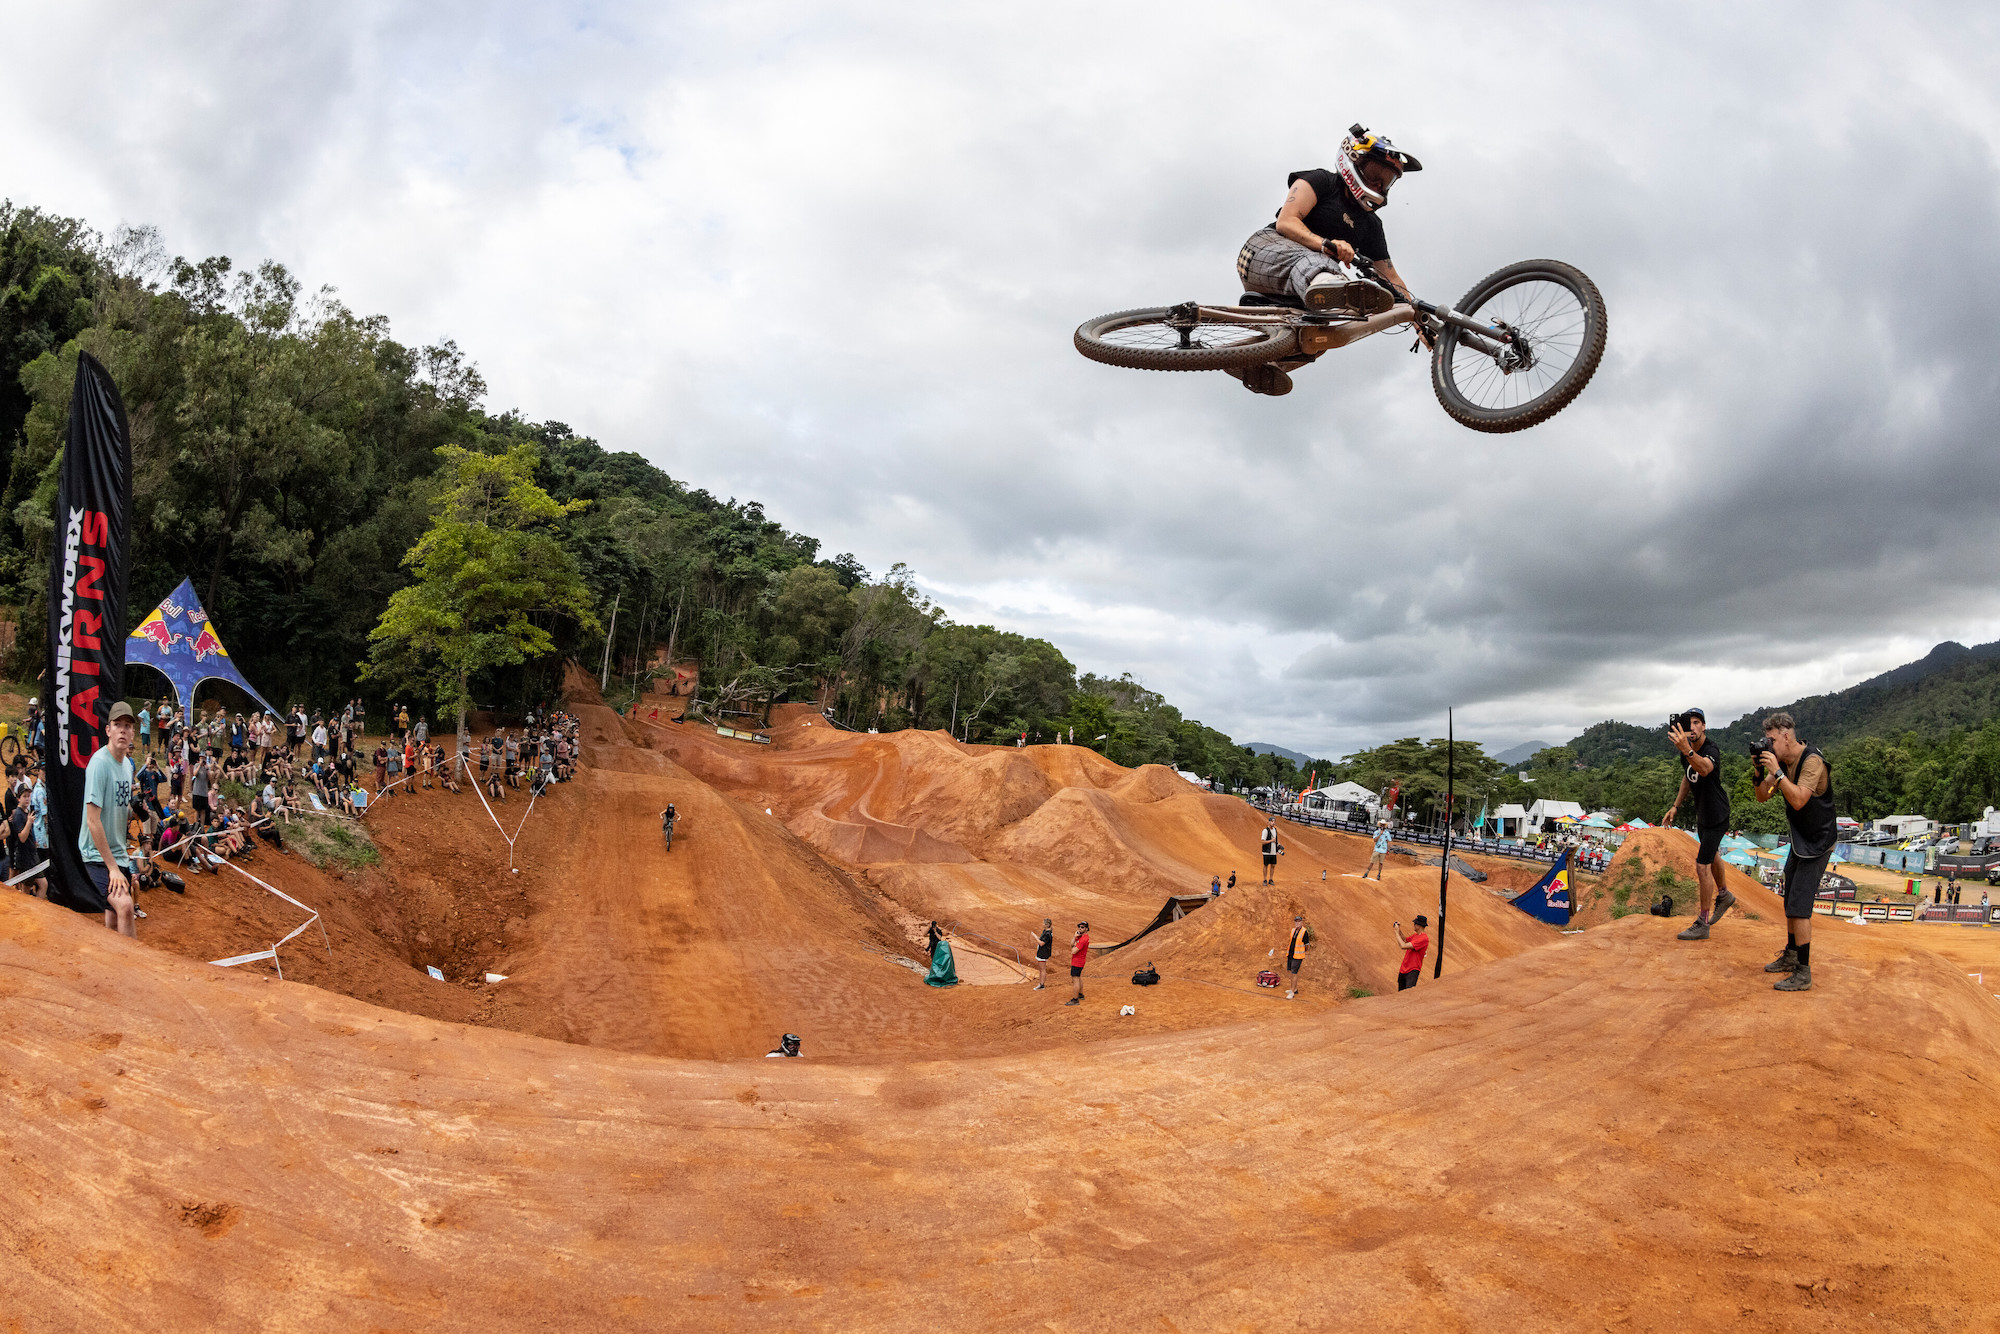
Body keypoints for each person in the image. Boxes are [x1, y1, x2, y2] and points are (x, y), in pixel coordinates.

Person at [1226, 125, 1423, 396]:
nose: (1379, 185)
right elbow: (1287, 221)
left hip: (1295, 287)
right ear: (1354, 161)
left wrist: (1420, 320)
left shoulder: (1370, 225)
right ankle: (1330, 285)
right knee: (1324, 265)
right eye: (1376, 175)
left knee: (1318, 336)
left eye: (1386, 181)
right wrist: (1326, 244)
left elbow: (1391, 277)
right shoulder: (1321, 181)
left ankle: (1250, 360)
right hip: (1263, 252)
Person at [1752, 712, 1835, 992]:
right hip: (1802, 840)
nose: (1769, 745)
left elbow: (1799, 800)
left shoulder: (1812, 761)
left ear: (1786, 735)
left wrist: (1776, 771)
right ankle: (1790, 955)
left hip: (1819, 842)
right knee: (1790, 898)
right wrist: (1758, 771)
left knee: (1799, 907)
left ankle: (1803, 972)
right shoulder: (1784, 763)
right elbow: (1762, 796)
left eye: (1772, 740)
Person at [1664, 708, 1737, 941]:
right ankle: (1724, 895)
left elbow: (1704, 768)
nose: (1692, 727)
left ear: (1704, 726)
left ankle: (1703, 922)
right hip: (1702, 815)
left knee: (1702, 865)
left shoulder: (1710, 749)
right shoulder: (1684, 753)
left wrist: (1686, 749)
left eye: (1697, 723)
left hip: (1717, 814)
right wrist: (1675, 806)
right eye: (1689, 723)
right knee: (1712, 854)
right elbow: (1689, 775)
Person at [74, 702, 140, 937]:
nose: (123, 730)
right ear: (108, 730)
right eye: (117, 725)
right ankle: (131, 966)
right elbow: (93, 821)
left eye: (127, 726)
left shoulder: (127, 766)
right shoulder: (99, 763)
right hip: (97, 856)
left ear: (133, 733)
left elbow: (119, 810)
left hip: (117, 853)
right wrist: (113, 868)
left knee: (112, 918)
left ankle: (111, 969)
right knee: (125, 906)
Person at [1394, 915, 1430, 991]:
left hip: (1412, 970)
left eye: (1415, 923)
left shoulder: (1423, 938)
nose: (1413, 925)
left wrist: (1396, 933)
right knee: (1400, 995)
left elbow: (1403, 946)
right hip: (1403, 969)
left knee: (1407, 994)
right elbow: (1405, 940)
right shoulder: (1415, 936)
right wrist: (1399, 930)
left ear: (1420, 925)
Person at [1283, 914, 1312, 1000]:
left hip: (1298, 956)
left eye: (1299, 921)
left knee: (1294, 973)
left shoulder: (1304, 932)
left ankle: (1292, 992)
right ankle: (1294, 989)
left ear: (1302, 922)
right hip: (1291, 954)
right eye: (1296, 921)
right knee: (1291, 971)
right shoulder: (1293, 930)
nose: (1297, 923)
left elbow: (1307, 945)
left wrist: (1303, 951)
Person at [1063, 921, 1090, 1005]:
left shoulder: (1084, 939)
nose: (1080, 928)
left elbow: (1073, 951)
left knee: (1075, 979)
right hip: (1078, 961)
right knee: (1078, 978)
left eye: (1082, 927)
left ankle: (1075, 1000)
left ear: (1086, 929)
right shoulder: (1080, 936)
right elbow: (1071, 944)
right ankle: (1080, 994)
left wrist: (1074, 945)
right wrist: (1074, 937)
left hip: (1078, 961)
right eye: (1079, 927)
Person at [1030, 917, 1053, 990]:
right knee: (1041, 968)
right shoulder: (1046, 931)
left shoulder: (1047, 934)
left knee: (1042, 969)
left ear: (1046, 924)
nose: (1042, 924)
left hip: (1043, 953)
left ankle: (1042, 985)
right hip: (1042, 952)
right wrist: (1036, 936)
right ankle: (1041, 983)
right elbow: (1041, 939)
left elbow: (1041, 943)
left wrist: (1034, 936)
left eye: (1043, 923)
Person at [1260, 819, 1279, 885]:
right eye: (1272, 821)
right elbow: (1263, 842)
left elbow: (1276, 840)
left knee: (1273, 865)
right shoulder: (1265, 831)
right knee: (1266, 865)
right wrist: (1271, 840)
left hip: (1273, 851)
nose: (1273, 823)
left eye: (1274, 821)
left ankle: (1271, 879)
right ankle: (1265, 880)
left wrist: (1277, 849)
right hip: (1267, 852)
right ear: (1268, 822)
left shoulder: (1275, 830)